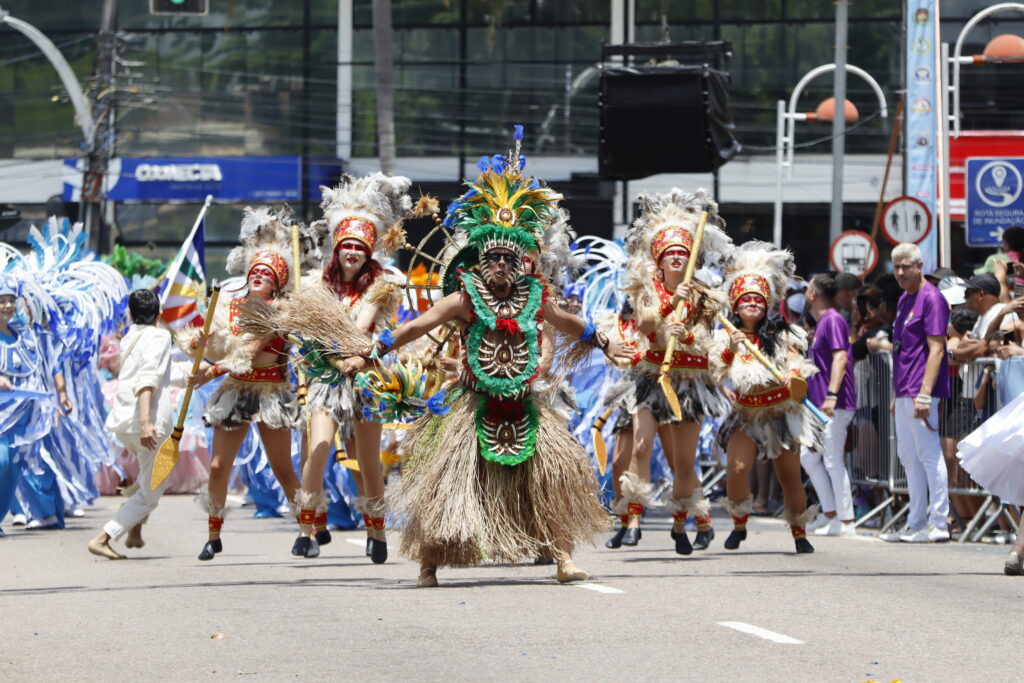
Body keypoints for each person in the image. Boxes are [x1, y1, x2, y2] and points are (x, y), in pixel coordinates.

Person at [335, 132, 633, 586]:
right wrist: (369, 352)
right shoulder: (464, 297)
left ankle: (563, 559)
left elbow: (569, 324)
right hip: (472, 403)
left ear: (520, 265)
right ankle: (429, 564)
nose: (499, 266)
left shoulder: (535, 295)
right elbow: (417, 326)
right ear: (478, 261)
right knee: (446, 482)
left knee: (552, 476)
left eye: (508, 259)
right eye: (491, 257)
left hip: (525, 401)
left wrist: (604, 341)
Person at [284, 173, 411, 562]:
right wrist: (298, 321)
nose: (352, 253)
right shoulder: (319, 288)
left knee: (368, 461)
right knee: (318, 449)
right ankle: (306, 529)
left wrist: (323, 334)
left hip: (367, 377)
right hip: (327, 381)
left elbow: (358, 330)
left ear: (368, 252)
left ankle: (377, 531)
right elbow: (301, 333)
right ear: (336, 251)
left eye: (359, 247)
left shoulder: (381, 286)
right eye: (346, 247)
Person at [609, 188, 733, 555]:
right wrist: (668, 313)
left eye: (683, 253)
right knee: (641, 446)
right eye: (670, 254)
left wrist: (688, 333)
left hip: (689, 383)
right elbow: (645, 328)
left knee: (683, 462)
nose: (677, 258)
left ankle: (689, 522)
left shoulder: (703, 294)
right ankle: (632, 519)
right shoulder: (646, 291)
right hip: (652, 379)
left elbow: (706, 339)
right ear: (659, 261)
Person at [185, 207, 305, 561]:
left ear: (277, 284)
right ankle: (213, 534)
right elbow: (217, 341)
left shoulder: (280, 313)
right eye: (255, 272)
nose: (258, 277)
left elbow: (249, 354)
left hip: (270, 393)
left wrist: (208, 372)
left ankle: (306, 528)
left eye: (267, 275)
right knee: (219, 466)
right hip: (236, 391)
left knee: (282, 469)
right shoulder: (229, 306)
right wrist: (198, 343)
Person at [710, 241, 823, 553]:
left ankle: (799, 532)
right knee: (737, 469)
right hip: (746, 414)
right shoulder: (725, 335)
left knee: (789, 477)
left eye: (758, 299)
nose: (752, 304)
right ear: (734, 304)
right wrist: (732, 347)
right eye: (745, 299)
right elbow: (718, 368)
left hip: (780, 412)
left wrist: (793, 374)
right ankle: (739, 525)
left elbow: (797, 363)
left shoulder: (784, 335)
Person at [88, 290, 187, 559]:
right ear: (160, 314)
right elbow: (148, 379)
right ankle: (105, 536)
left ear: (131, 315)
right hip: (145, 423)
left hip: (124, 422)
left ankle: (134, 531)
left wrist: (209, 370)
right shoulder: (159, 336)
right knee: (151, 491)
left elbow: (168, 373)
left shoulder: (132, 335)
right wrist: (146, 422)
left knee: (149, 474)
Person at [883, 242, 951, 543]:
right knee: (908, 455)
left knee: (928, 452)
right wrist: (896, 395)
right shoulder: (903, 299)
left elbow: (937, 349)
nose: (900, 272)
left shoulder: (932, 298)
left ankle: (939, 522)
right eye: (896, 266)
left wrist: (924, 394)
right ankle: (916, 521)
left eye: (906, 266)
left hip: (921, 389)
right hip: (904, 389)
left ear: (920, 266)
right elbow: (902, 350)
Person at [800, 274, 857, 537]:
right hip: (818, 404)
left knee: (833, 459)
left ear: (813, 294)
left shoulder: (833, 319)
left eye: (807, 288)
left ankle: (846, 521)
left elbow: (840, 358)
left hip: (834, 403)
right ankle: (831, 513)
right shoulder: (824, 322)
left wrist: (832, 394)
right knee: (809, 457)